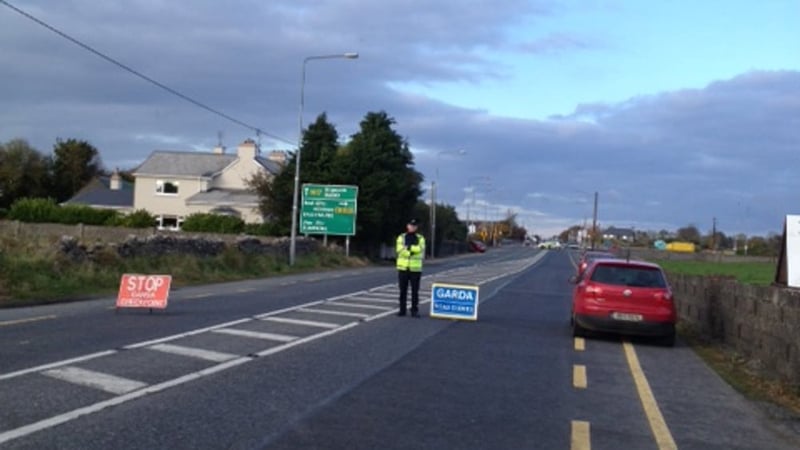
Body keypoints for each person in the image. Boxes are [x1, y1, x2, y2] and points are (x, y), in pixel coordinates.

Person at [396, 218, 426, 317]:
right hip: (403, 268)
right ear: (407, 226)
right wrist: (412, 251)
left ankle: (414, 310)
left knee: (415, 291)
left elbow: (420, 249)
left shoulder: (420, 238)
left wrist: (408, 247)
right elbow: (399, 250)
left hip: (415, 269)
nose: (412, 227)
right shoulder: (401, 237)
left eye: (414, 226)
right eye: (411, 225)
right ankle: (402, 310)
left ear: (416, 227)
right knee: (402, 291)